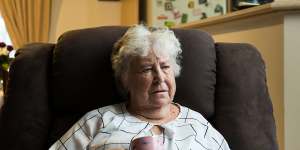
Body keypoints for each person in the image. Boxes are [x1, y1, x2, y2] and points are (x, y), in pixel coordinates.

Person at [49, 25, 230, 150]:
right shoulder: (98, 121)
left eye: (165, 67)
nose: (160, 78)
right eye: (147, 69)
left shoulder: (199, 125)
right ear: (126, 79)